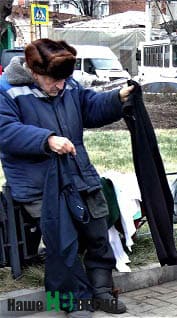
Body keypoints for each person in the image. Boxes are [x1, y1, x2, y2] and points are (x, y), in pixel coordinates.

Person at [0, 39, 133, 317]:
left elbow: (90, 107)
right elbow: (5, 131)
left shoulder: (67, 83)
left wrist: (116, 98)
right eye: (53, 80)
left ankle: (101, 292)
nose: (60, 86)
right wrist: (46, 140)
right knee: (64, 244)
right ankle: (76, 303)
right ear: (34, 71)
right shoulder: (7, 91)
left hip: (79, 175)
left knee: (98, 234)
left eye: (64, 80)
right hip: (40, 184)